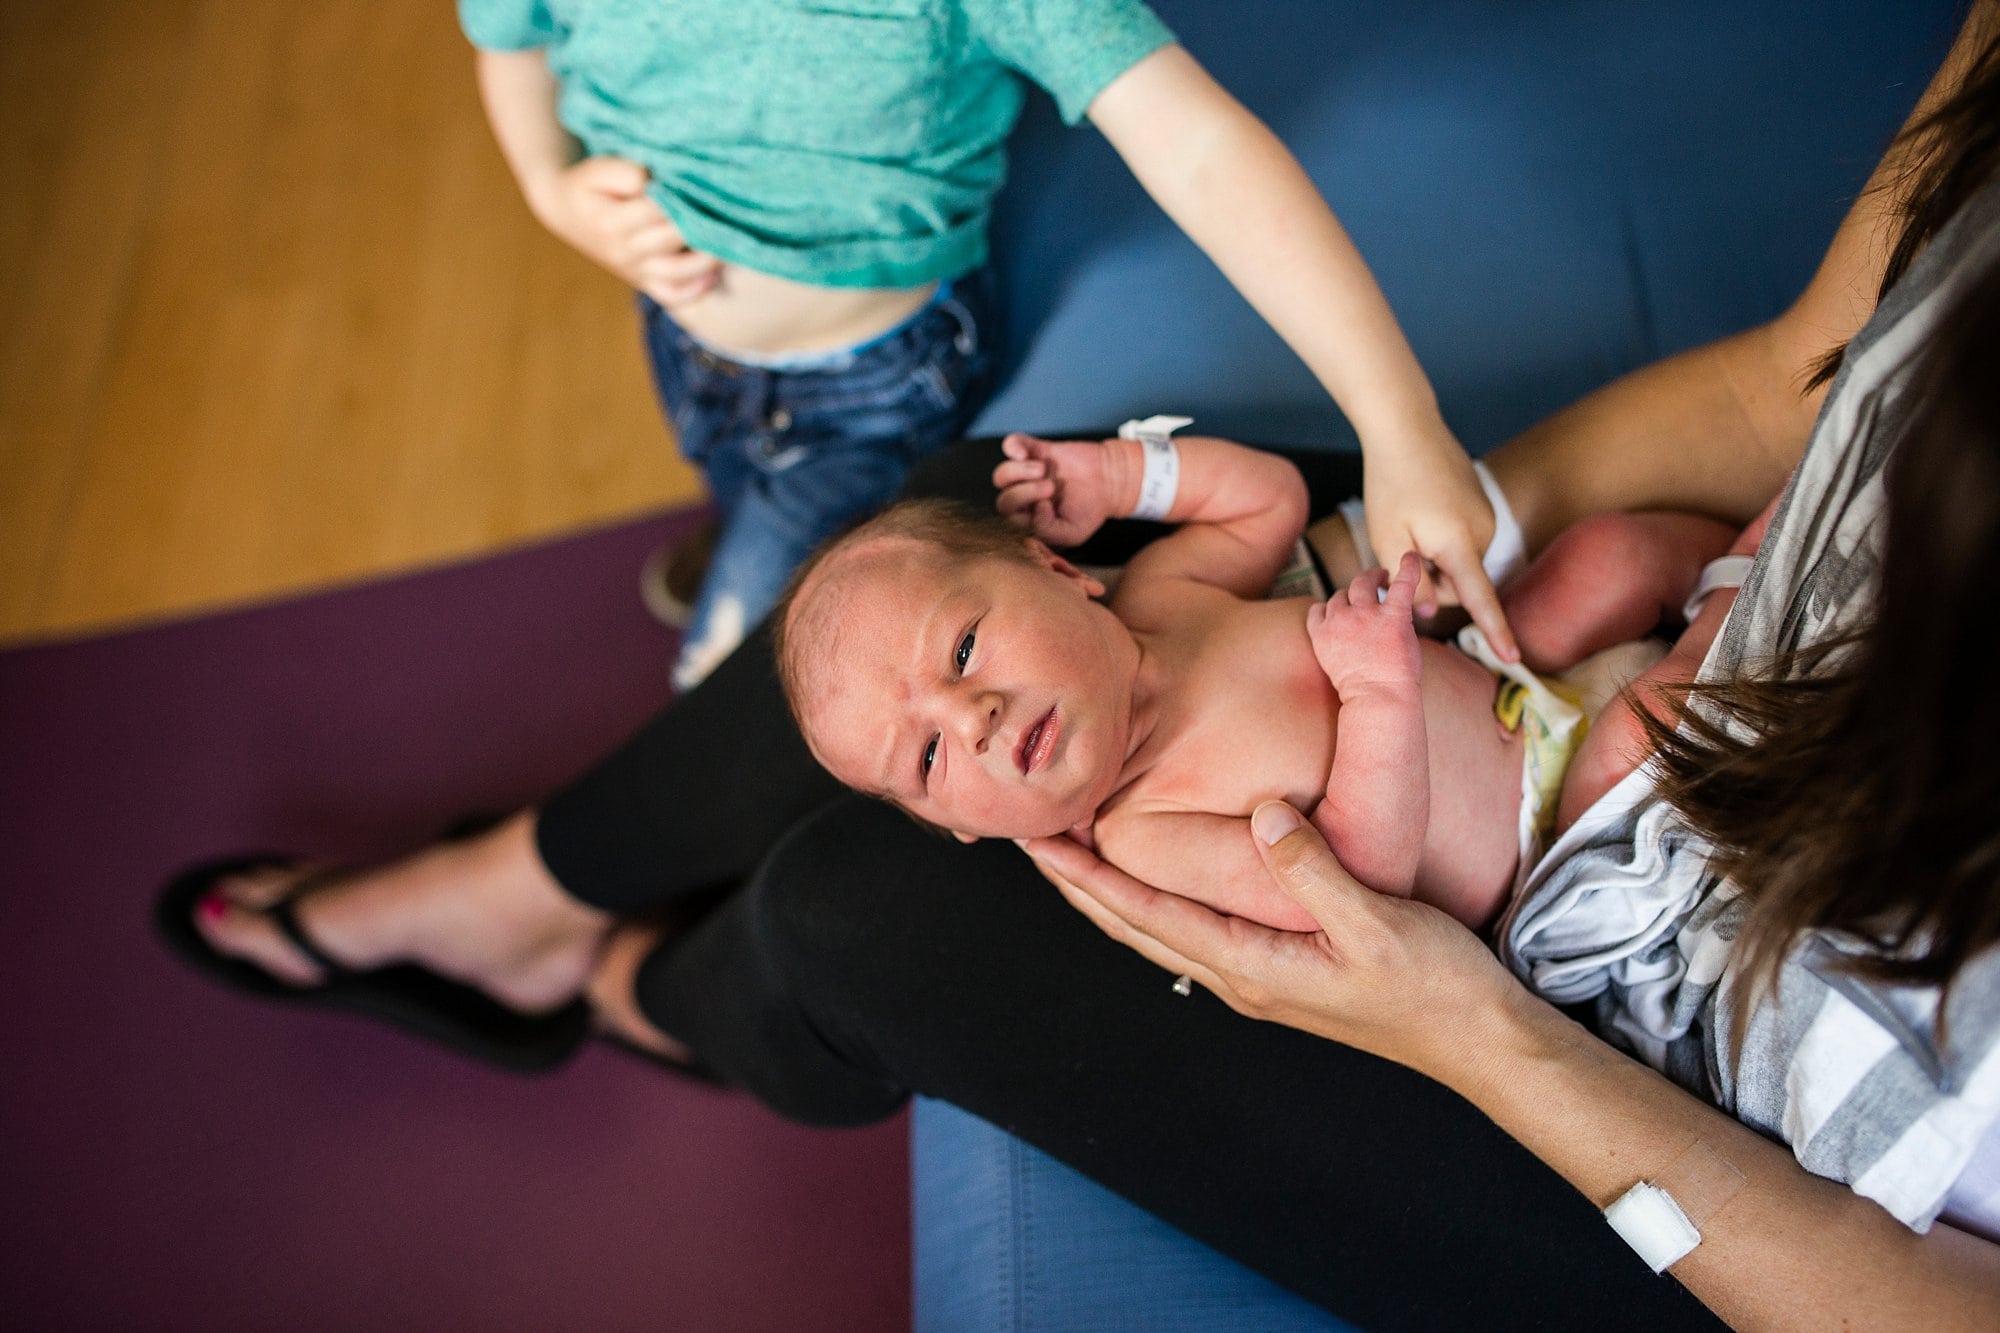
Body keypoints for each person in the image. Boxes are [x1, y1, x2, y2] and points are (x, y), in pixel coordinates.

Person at [163, 6, 2000, 1324]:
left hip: (1727, 1154)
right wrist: (1422, 529)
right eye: (936, 758)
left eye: (969, 676)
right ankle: (532, 895)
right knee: (950, 516)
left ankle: (623, 975)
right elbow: (1792, 387)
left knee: (841, 911)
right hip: (1622, 693)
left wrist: (1464, 1010)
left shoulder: (1155, 826)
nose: (970, 720)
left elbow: (1355, 863)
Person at [462, 0, 1513, 690]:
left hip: (872, 379)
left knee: (731, 683)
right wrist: (554, 192)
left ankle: (753, 623)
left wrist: (1395, 420)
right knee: (726, 470)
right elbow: (507, 42)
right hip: (683, 340)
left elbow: (1201, 152)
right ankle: (748, 528)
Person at [777, 430, 1751, 933]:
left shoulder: (1164, 592)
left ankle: (1751, 560)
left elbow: (1266, 503)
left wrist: (1122, 479)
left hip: (1510, 688)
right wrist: (1375, 691)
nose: (971, 717)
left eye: (960, 652)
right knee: (1643, 728)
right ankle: (1745, 596)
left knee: (1604, 558)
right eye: (930, 755)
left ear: (1061, 571)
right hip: (1545, 845)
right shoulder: (1147, 830)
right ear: (959, 827)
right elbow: (1355, 883)